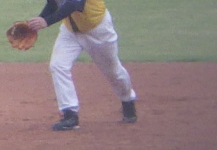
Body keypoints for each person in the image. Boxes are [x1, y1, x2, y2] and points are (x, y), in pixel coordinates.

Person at [20, 0, 137, 131]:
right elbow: (54, 3)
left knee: (113, 71)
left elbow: (74, 4)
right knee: (58, 65)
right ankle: (70, 115)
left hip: (97, 30)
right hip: (70, 32)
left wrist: (47, 21)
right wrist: (37, 22)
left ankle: (127, 101)